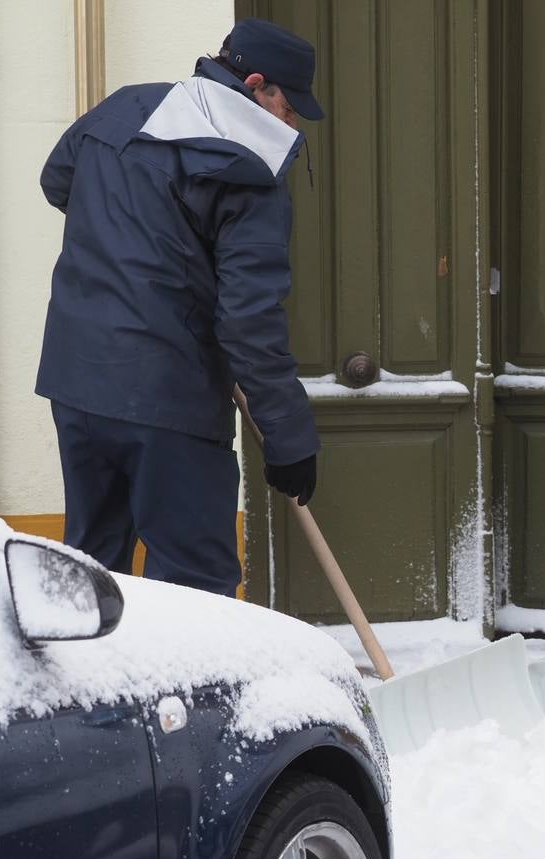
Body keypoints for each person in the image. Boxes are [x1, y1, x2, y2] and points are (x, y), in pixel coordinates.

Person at [36, 18, 325, 597]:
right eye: (289, 105)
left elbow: (57, 180)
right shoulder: (250, 168)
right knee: (193, 592)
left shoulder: (124, 109)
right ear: (258, 84)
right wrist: (291, 440)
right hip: (169, 398)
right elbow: (250, 320)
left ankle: (92, 690)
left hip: (76, 383)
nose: (290, 121)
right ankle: (187, 695)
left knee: (92, 579)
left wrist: (128, 242)